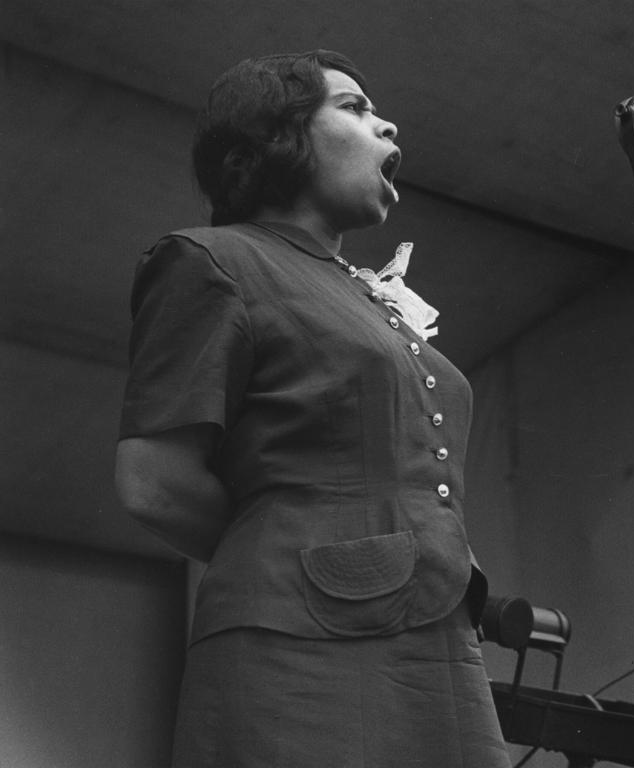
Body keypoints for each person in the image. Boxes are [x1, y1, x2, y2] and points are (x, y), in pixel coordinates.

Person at [114, 50, 511, 768]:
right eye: (354, 108)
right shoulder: (211, 261)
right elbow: (154, 482)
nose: (386, 124)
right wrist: (302, 549)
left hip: (434, 644)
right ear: (277, 136)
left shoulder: (361, 293)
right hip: (296, 646)